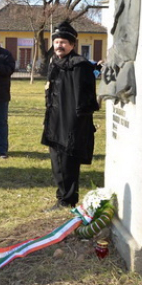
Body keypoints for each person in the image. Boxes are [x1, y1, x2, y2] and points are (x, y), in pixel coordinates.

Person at [42, 21, 99, 209]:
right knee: (57, 163)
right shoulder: (55, 63)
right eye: (57, 41)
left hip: (71, 123)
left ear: (72, 45)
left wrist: (76, 126)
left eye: (64, 42)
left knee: (68, 163)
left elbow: (84, 100)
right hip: (55, 120)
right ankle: (62, 197)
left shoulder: (79, 66)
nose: (60, 45)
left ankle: (67, 200)